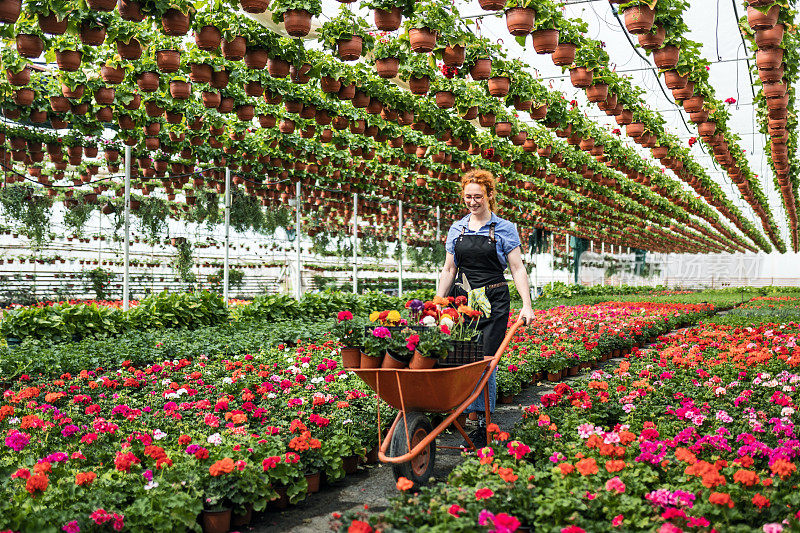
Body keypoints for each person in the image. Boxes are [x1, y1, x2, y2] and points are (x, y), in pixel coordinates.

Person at [435, 169, 534, 449]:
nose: (473, 201)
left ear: (489, 195)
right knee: (460, 357)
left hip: (494, 301)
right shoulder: (458, 228)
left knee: (485, 361)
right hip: (463, 301)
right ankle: (463, 414)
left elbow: (517, 268)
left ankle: (482, 424)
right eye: (468, 197)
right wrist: (436, 303)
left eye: (478, 196)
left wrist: (526, 305)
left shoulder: (504, 228)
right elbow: (449, 268)